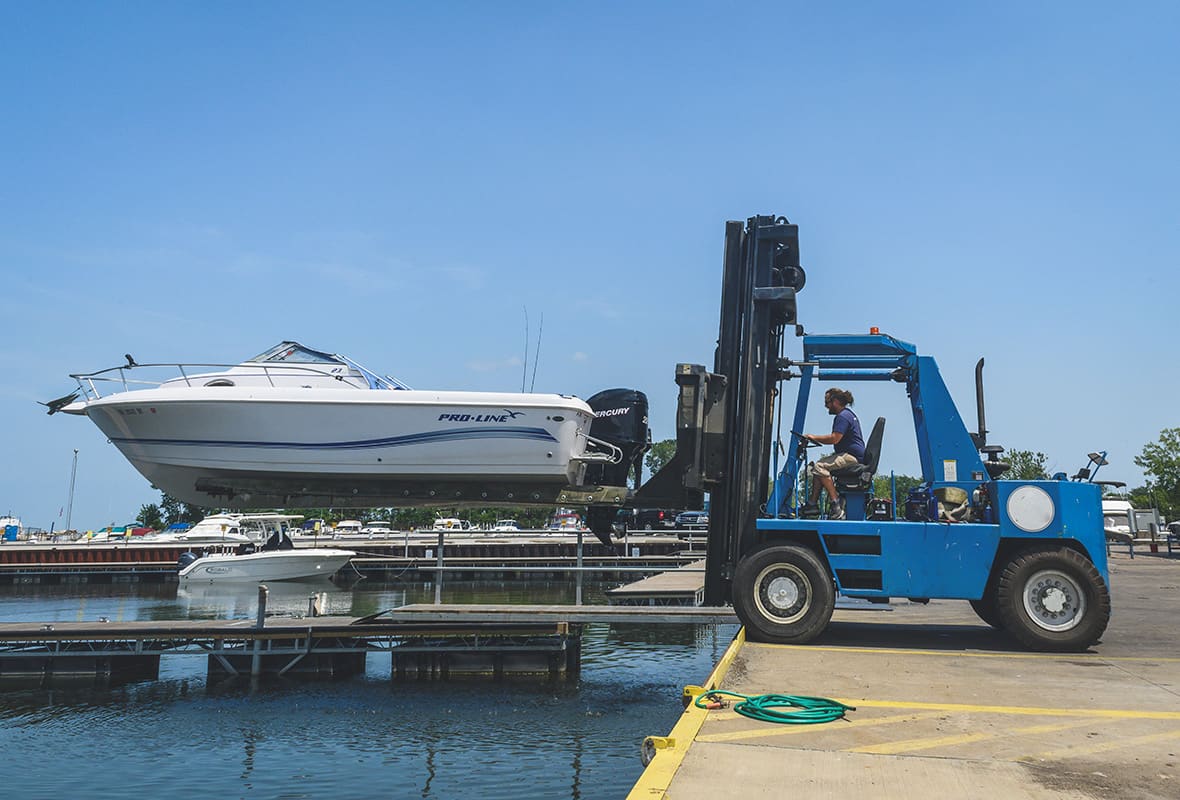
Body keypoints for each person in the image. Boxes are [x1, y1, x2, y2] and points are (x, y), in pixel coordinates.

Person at [800, 388, 865, 520]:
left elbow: (835, 438)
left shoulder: (842, 416)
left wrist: (813, 437)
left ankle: (836, 505)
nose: (826, 406)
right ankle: (812, 505)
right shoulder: (847, 415)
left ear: (835, 401)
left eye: (827, 402)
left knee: (819, 466)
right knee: (818, 471)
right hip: (850, 454)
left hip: (852, 457)